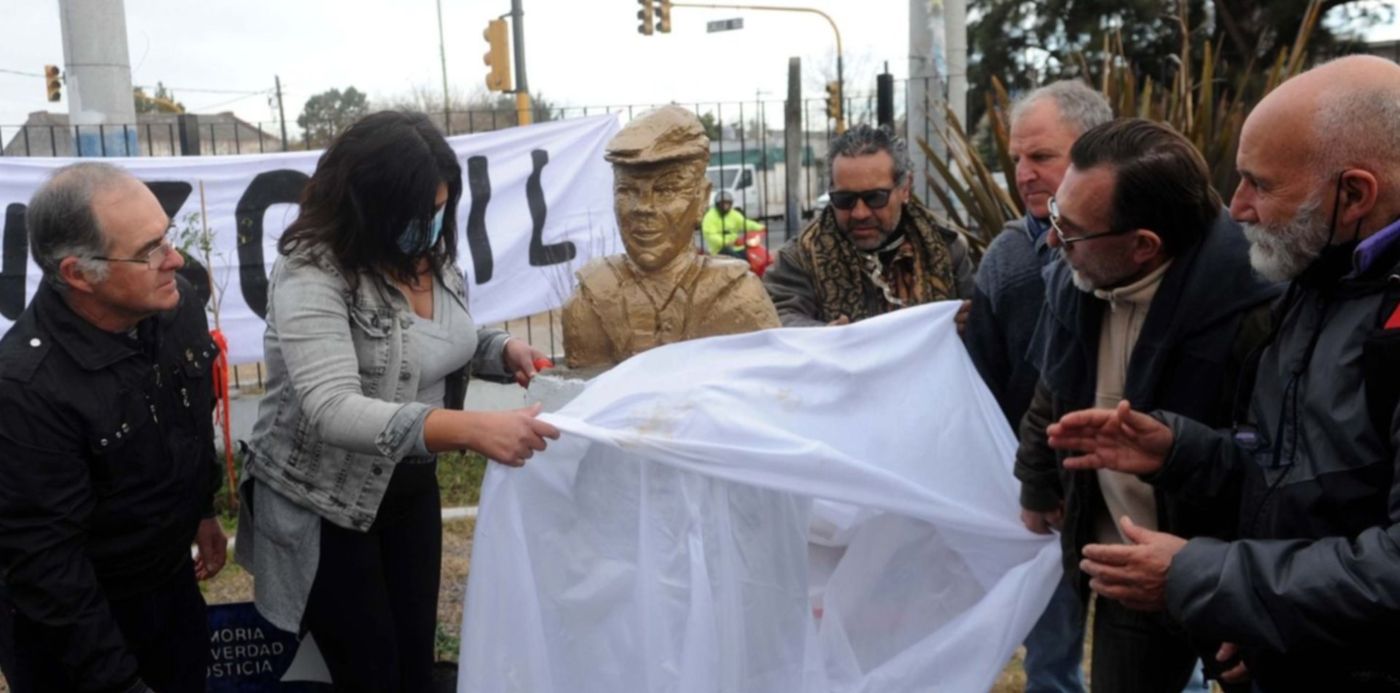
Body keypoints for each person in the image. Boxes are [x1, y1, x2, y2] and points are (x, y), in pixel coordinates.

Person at [1049, 55, 1400, 691]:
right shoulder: (1318, 281)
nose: (1235, 209)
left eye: (1260, 185)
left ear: (1354, 194)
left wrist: (1204, 578)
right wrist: (1181, 450)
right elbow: (1294, 474)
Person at [235, 111, 560, 692]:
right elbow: (333, 407)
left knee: (415, 660)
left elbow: (430, 342)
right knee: (371, 673)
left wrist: (500, 349)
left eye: (438, 209)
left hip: (409, 491)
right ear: (367, 203)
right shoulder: (312, 272)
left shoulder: (430, 259)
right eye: (416, 213)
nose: (430, 226)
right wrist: (468, 427)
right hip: (327, 504)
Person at [1014, 118, 1278, 692]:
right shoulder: (1072, 277)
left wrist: (1255, 600)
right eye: (1055, 215)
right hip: (1127, 566)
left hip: (1229, 575)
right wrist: (1037, 480)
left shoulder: (1261, 309)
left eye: (1073, 230)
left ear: (1143, 246)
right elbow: (1051, 390)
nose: (1053, 241)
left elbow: (1283, 469)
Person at [0, 162, 226, 692]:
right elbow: (48, 570)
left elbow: (190, 417)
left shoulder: (174, 305)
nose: (174, 259)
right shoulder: (25, 388)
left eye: (166, 237)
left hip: (169, 585)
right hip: (81, 630)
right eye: (150, 250)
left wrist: (203, 510)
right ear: (79, 274)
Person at [963, 79, 1112, 693]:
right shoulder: (1005, 258)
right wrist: (1026, 479)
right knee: (1051, 657)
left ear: (1095, 150)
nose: (1023, 173)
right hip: (1045, 498)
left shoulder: (1151, 247)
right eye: (1017, 158)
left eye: (1042, 157)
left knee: (1160, 652)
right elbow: (982, 381)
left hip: (1139, 491)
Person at [562, 105, 780, 369]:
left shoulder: (738, 298)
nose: (643, 208)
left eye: (666, 190)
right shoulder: (592, 299)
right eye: (627, 190)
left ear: (701, 199)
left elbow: (767, 394)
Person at [763, 124, 975, 327]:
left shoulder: (948, 250)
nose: (860, 213)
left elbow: (979, 331)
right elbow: (776, 317)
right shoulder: (799, 259)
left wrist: (964, 326)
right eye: (845, 199)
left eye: (875, 197)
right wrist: (824, 336)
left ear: (905, 188)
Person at [701, 190, 764, 260]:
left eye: (727, 204)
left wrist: (760, 227)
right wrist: (726, 242)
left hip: (736, 246)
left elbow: (745, 223)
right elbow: (711, 236)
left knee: (751, 255)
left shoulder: (733, 214)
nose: (725, 206)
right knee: (740, 261)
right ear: (717, 204)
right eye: (723, 204)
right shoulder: (710, 217)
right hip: (719, 249)